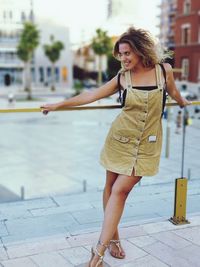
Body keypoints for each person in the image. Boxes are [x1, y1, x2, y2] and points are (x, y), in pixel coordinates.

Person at [41, 27, 190, 267]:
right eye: (120, 54)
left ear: (141, 51)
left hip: (148, 145)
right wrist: (59, 104)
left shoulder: (164, 70)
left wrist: (182, 101)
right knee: (110, 188)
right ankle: (113, 240)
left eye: (127, 53)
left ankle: (97, 250)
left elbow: (172, 92)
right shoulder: (123, 77)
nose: (124, 59)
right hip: (119, 140)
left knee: (121, 190)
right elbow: (91, 95)